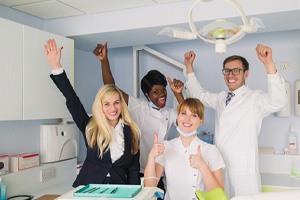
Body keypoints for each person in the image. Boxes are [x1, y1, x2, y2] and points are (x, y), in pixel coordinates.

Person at [183, 44, 288, 197]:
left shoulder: (255, 99)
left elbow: (278, 101)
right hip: (221, 167)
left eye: (236, 71)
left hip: (244, 172)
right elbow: (199, 95)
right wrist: (189, 67)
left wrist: (268, 64)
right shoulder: (221, 98)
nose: (230, 74)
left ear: (246, 74)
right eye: (227, 71)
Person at [44, 38, 141, 187]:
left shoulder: (132, 131)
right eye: (107, 104)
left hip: (119, 191)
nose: (113, 108)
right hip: (88, 189)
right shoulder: (90, 126)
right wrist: (56, 66)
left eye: (116, 102)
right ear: (100, 106)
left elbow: (133, 169)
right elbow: (72, 99)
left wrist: (135, 195)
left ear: (122, 104)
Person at [93, 42, 184, 190]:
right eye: (156, 92)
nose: (161, 94)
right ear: (147, 95)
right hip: (134, 172)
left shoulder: (169, 113)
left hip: (156, 171)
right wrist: (104, 61)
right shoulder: (138, 106)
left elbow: (187, 119)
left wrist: (178, 94)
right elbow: (111, 87)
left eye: (163, 90)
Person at [144, 98, 226, 200]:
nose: (187, 119)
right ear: (177, 117)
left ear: (201, 121)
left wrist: (202, 166)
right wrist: (151, 156)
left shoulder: (211, 150)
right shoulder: (166, 147)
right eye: (183, 113)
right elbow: (149, 186)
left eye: (194, 115)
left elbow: (219, 195)